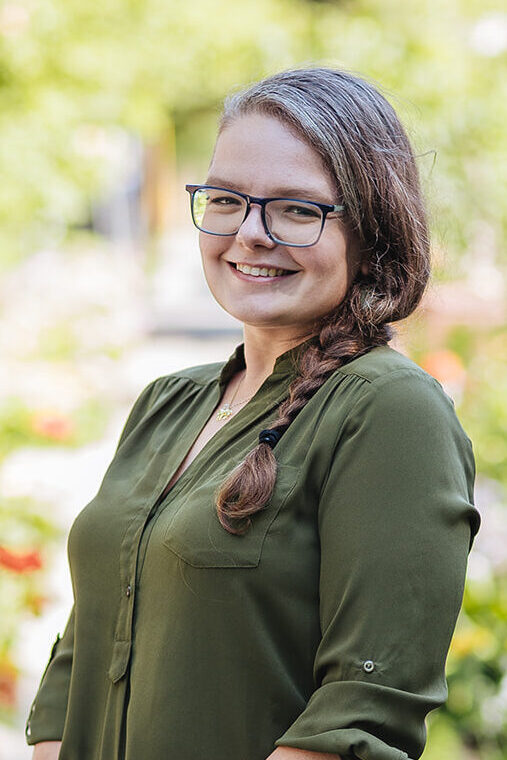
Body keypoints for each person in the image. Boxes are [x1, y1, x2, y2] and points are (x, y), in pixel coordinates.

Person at [26, 67, 480, 760]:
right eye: (226, 199)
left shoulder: (388, 410)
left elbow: (360, 712)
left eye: (297, 210)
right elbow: (82, 651)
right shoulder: (167, 402)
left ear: (372, 230)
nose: (250, 233)